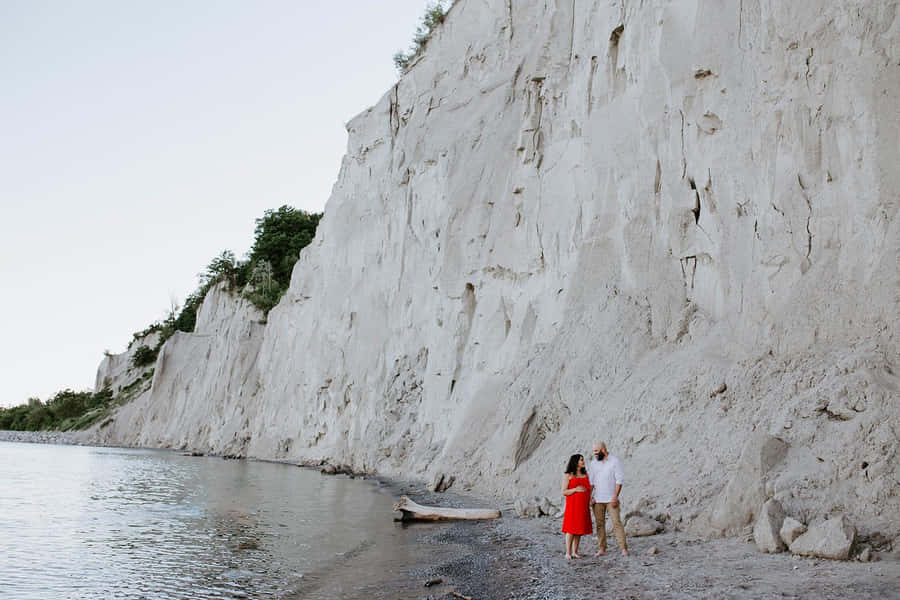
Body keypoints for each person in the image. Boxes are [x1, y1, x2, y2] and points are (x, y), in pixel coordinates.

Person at [587, 441, 629, 556]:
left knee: (616, 523)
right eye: (594, 451)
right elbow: (591, 483)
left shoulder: (615, 461)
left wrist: (615, 497)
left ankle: (623, 548)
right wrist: (589, 498)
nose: (594, 453)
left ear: (603, 450)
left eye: (596, 451)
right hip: (597, 500)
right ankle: (602, 548)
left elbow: (619, 481)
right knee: (599, 524)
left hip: (611, 499)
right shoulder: (593, 464)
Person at [561, 453, 592, 559]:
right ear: (576, 462)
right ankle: (568, 552)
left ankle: (575, 551)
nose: (583, 461)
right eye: (581, 460)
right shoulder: (569, 475)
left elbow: (589, 489)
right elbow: (564, 491)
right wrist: (575, 489)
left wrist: (590, 499)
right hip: (572, 506)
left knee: (579, 530)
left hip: (583, 506)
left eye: (583, 460)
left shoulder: (586, 475)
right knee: (571, 529)